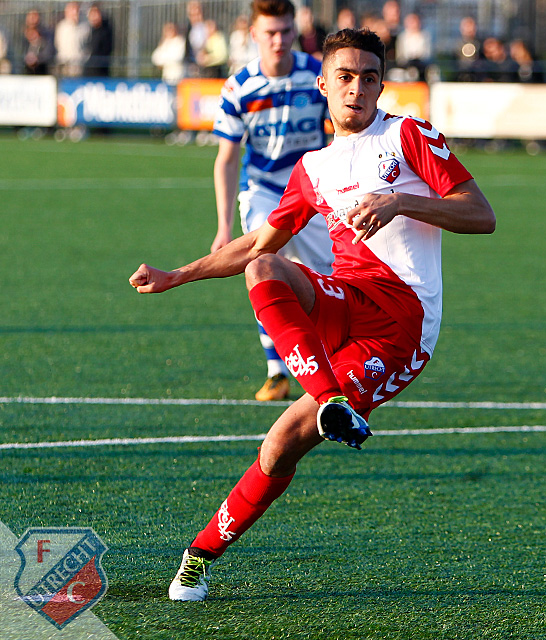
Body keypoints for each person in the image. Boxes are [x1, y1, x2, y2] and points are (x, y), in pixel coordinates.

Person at [128, 27, 496, 602]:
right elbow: (256, 246)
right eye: (345, 77)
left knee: (279, 444)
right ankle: (331, 401)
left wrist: (399, 201)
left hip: (400, 327)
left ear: (381, 86)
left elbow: (481, 214)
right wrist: (178, 274)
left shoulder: (408, 135)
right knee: (265, 266)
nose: (357, 89)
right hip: (345, 298)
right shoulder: (313, 168)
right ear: (322, 84)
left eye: (369, 78)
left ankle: (198, 555)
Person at [197, 0, 335, 402]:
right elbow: (227, 159)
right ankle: (277, 371)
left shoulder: (318, 75)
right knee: (262, 265)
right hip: (264, 192)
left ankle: (332, 358)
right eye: (270, 32)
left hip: (313, 192)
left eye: (286, 31)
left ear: (295, 30)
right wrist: (223, 227)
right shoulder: (239, 87)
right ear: (253, 34)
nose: (278, 40)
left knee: (323, 278)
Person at [55, 1, 89, 77]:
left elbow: (88, 46)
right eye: (72, 10)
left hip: (79, 65)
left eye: (76, 10)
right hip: (64, 64)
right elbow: (57, 44)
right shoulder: (61, 27)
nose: (75, 13)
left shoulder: (85, 27)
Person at [394, 12, 432, 80]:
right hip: (406, 64)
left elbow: (427, 53)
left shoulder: (425, 36)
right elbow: (400, 55)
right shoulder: (402, 37)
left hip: (421, 64)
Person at [83, 3, 113, 77]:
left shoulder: (106, 30)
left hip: (100, 71)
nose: (94, 17)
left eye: (95, 14)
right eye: (92, 14)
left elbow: (106, 50)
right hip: (88, 70)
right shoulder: (88, 30)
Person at [21, 10, 54, 75]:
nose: (33, 19)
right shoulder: (22, 36)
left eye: (34, 16)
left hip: (41, 69)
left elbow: (48, 52)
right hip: (26, 70)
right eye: (31, 16)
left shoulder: (46, 35)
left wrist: (37, 59)